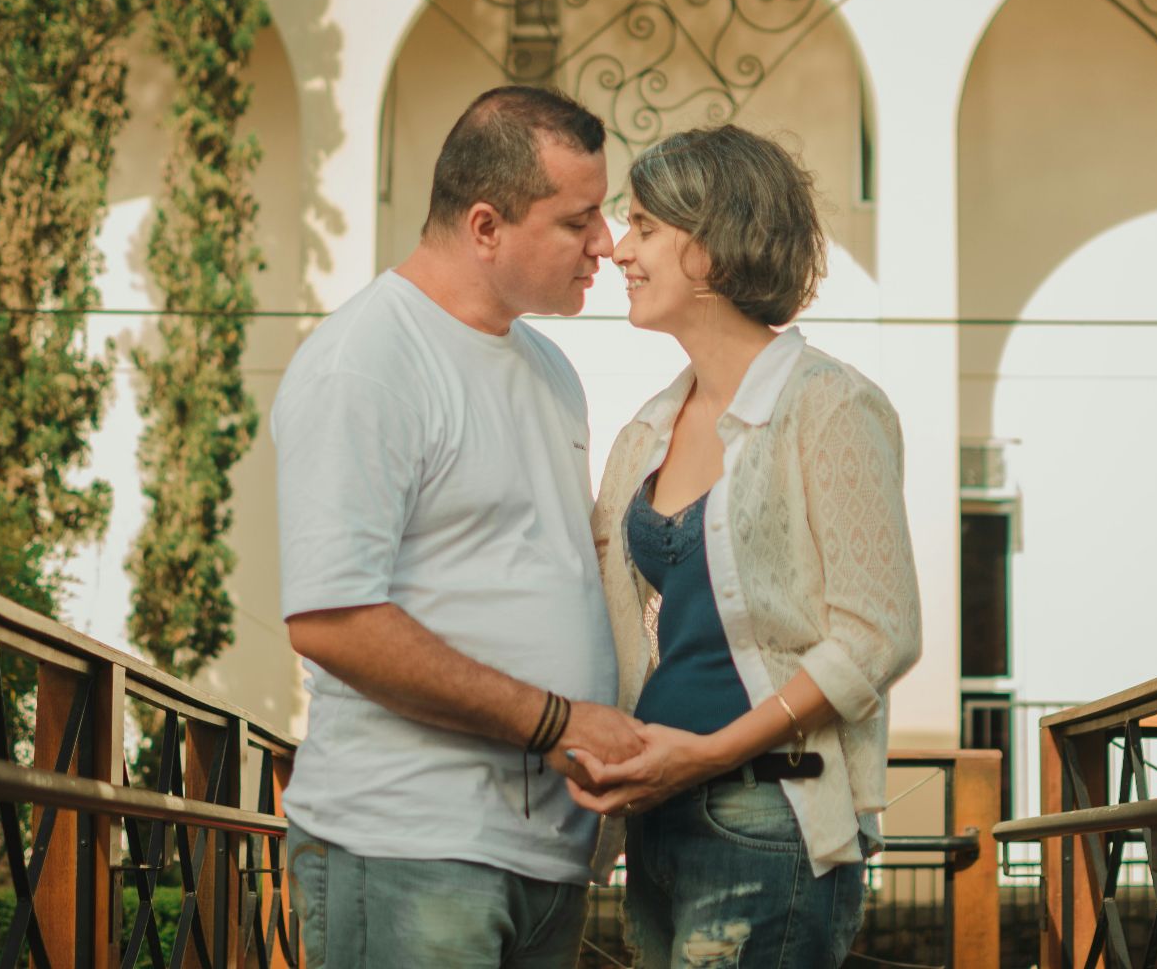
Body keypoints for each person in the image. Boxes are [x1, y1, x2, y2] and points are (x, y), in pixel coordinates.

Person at [270, 86, 641, 968]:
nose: (608, 244)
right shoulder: (367, 362)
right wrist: (557, 723)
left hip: (544, 856)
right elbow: (330, 619)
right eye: (579, 221)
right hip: (411, 849)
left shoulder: (550, 368)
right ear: (485, 227)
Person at [566, 124, 923, 967]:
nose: (619, 248)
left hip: (769, 817)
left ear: (716, 250)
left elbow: (880, 635)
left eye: (647, 225)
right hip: (653, 817)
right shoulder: (643, 434)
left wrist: (706, 756)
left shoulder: (830, 406)